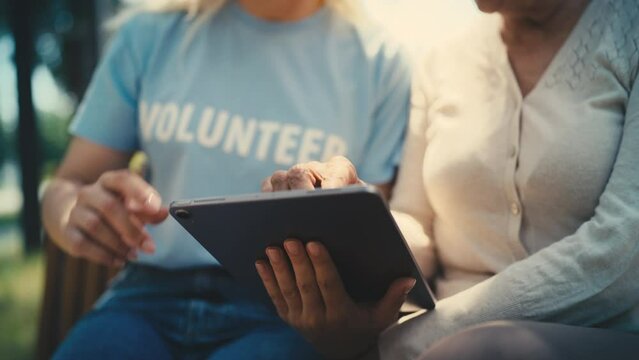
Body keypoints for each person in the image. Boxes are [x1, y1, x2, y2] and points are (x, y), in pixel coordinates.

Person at [258, 0, 639, 358]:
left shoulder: (629, 33)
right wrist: (348, 223)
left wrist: (397, 344)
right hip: (430, 339)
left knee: (490, 350)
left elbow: (620, 263)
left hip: (596, 332)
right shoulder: (443, 60)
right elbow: (418, 226)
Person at [41, 0, 412, 358]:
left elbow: (372, 245)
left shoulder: (380, 62)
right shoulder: (150, 35)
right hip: (146, 297)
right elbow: (69, 184)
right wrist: (72, 214)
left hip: (286, 309)